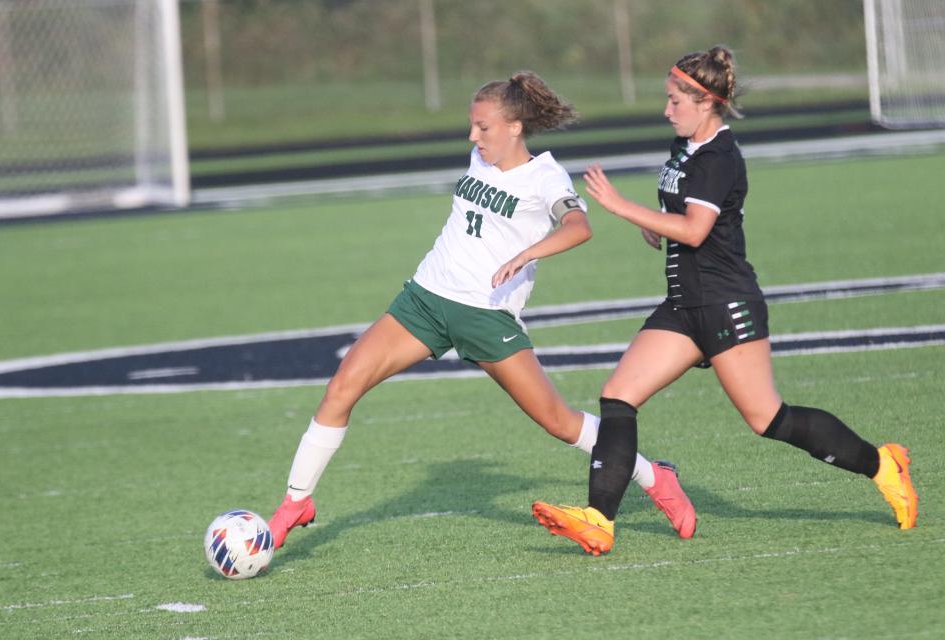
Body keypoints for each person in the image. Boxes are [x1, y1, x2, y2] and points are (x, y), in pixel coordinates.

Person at [268, 71, 697, 550]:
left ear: (515, 127)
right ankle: (296, 501)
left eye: (483, 127)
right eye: (472, 127)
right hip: (425, 299)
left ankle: (654, 477)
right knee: (342, 386)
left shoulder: (545, 176)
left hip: (487, 316)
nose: (473, 137)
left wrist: (528, 253)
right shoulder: (480, 157)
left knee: (559, 421)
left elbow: (579, 226)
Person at [531, 46, 918, 557]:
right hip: (683, 305)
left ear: (706, 103)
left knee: (768, 419)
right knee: (618, 396)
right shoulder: (685, 146)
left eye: (675, 101)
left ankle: (882, 463)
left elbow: (695, 230)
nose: (666, 110)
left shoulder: (719, 157)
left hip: (726, 303)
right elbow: (681, 216)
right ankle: (599, 520)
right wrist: (653, 226)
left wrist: (625, 209)